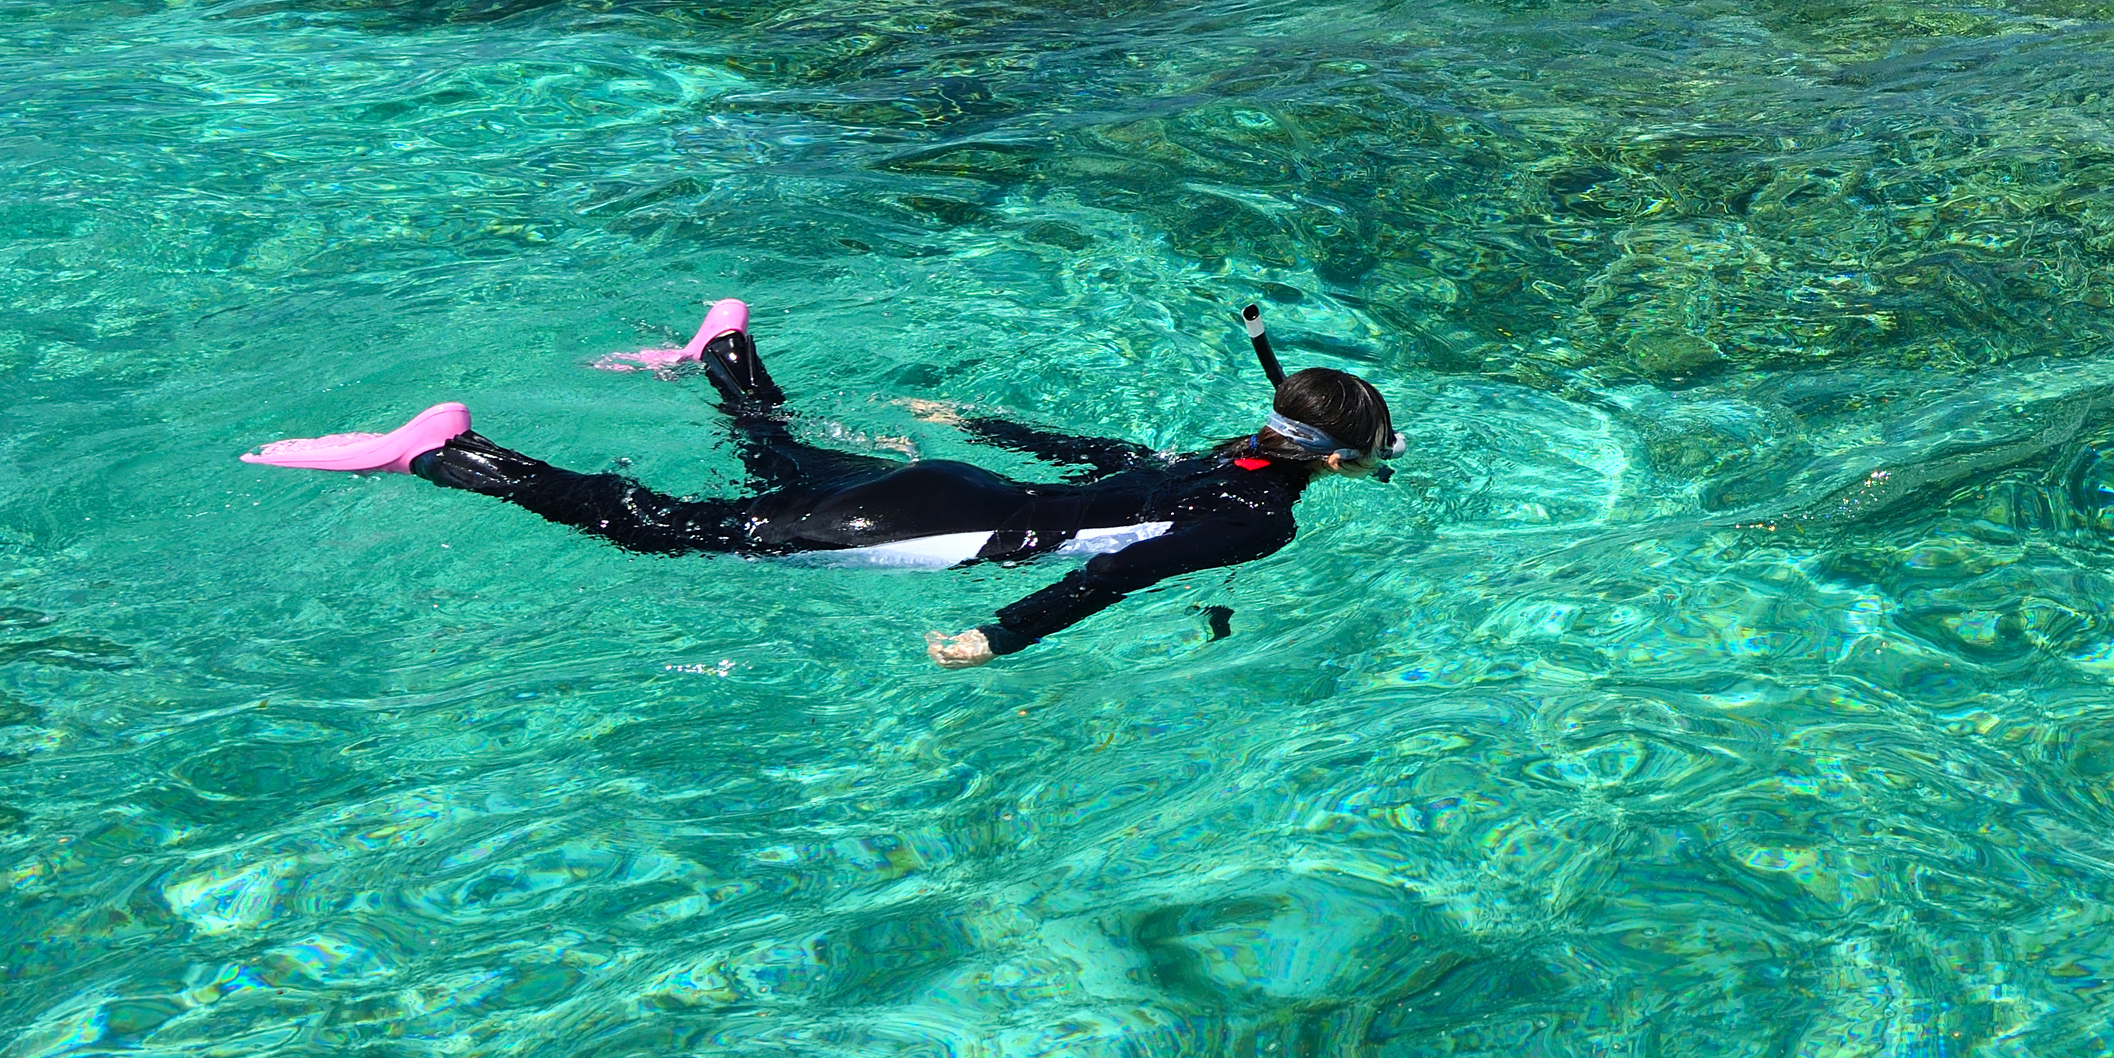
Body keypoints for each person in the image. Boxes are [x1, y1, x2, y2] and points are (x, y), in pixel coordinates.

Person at [238, 301, 1399, 662]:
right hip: (938, 533)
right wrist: (1002, 634)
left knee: (780, 454)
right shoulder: (1256, 516)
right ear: (1341, 461)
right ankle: (449, 453)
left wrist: (978, 424)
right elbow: (1122, 574)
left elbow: (1103, 460)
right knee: (663, 527)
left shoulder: (1231, 452)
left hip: (959, 485)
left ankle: (725, 348)